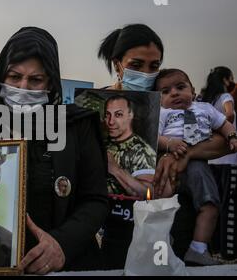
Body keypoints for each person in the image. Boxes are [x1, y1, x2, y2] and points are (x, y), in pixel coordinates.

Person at [0, 27, 109, 274]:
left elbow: (96, 199)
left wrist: (62, 244)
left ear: (51, 82)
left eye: (36, 80)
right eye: (14, 77)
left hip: (63, 268)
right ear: (0, 76)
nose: (23, 87)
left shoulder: (77, 126)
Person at [97, 24, 229, 196]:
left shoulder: (171, 103)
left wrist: (183, 153)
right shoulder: (94, 104)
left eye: (153, 66)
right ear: (117, 65)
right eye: (136, 65)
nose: (146, 73)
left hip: (161, 208)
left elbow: (224, 142)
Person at [156, 68, 237, 265]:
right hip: (169, 162)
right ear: (159, 99)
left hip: (198, 165)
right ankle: (164, 240)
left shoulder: (205, 108)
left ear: (192, 91)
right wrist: (169, 143)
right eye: (166, 91)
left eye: (180, 87)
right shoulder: (163, 113)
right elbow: (154, 137)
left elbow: (224, 124)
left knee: (210, 204)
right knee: (161, 207)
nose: (174, 93)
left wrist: (232, 135)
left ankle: (198, 249)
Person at [201, 66, 237, 260]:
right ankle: (227, 251)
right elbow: (229, 114)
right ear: (225, 79)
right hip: (228, 158)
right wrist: (223, 130)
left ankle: (212, 248)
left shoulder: (206, 99)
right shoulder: (225, 97)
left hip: (211, 159)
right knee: (228, 206)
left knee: (212, 204)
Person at [104, 95, 156, 197]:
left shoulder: (143, 152)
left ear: (130, 115)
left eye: (118, 115)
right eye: (108, 115)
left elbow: (148, 194)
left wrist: (116, 170)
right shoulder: (102, 143)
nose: (110, 122)